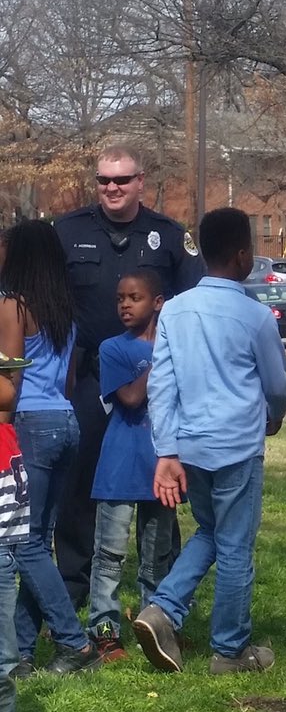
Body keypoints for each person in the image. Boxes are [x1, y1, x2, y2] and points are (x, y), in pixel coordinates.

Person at [132, 207, 286, 675]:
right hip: (238, 445)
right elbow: (279, 386)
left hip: (190, 445)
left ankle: (162, 608)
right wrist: (273, 417)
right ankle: (229, 650)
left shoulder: (174, 310)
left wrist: (166, 451)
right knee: (236, 545)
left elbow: (161, 385)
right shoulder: (255, 316)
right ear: (243, 255)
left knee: (211, 532)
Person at [55, 144, 205, 609]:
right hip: (90, 379)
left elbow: (194, 301)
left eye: (121, 180)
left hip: (154, 381)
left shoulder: (168, 235)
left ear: (141, 181)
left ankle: (164, 597)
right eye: (104, 180)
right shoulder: (68, 231)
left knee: (161, 480)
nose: (112, 188)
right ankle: (76, 589)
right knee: (80, 483)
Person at [0, 222, 100, 676]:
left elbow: (10, 382)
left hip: (29, 426)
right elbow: (68, 381)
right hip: (65, 422)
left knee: (22, 544)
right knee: (37, 540)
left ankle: (75, 644)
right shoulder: (64, 312)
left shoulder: (12, 307)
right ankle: (21, 652)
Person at [86, 269, 175, 663]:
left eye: (134, 297)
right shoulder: (113, 349)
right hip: (120, 466)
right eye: (120, 298)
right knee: (109, 555)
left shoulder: (177, 345)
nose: (124, 304)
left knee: (158, 555)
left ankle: (154, 626)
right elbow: (132, 398)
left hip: (163, 468)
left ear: (157, 302)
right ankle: (104, 630)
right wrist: (163, 361)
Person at [0, 358, 33, 712]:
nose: (14, 379)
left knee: (5, 658)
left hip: (6, 556)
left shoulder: (7, 428)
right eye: (6, 375)